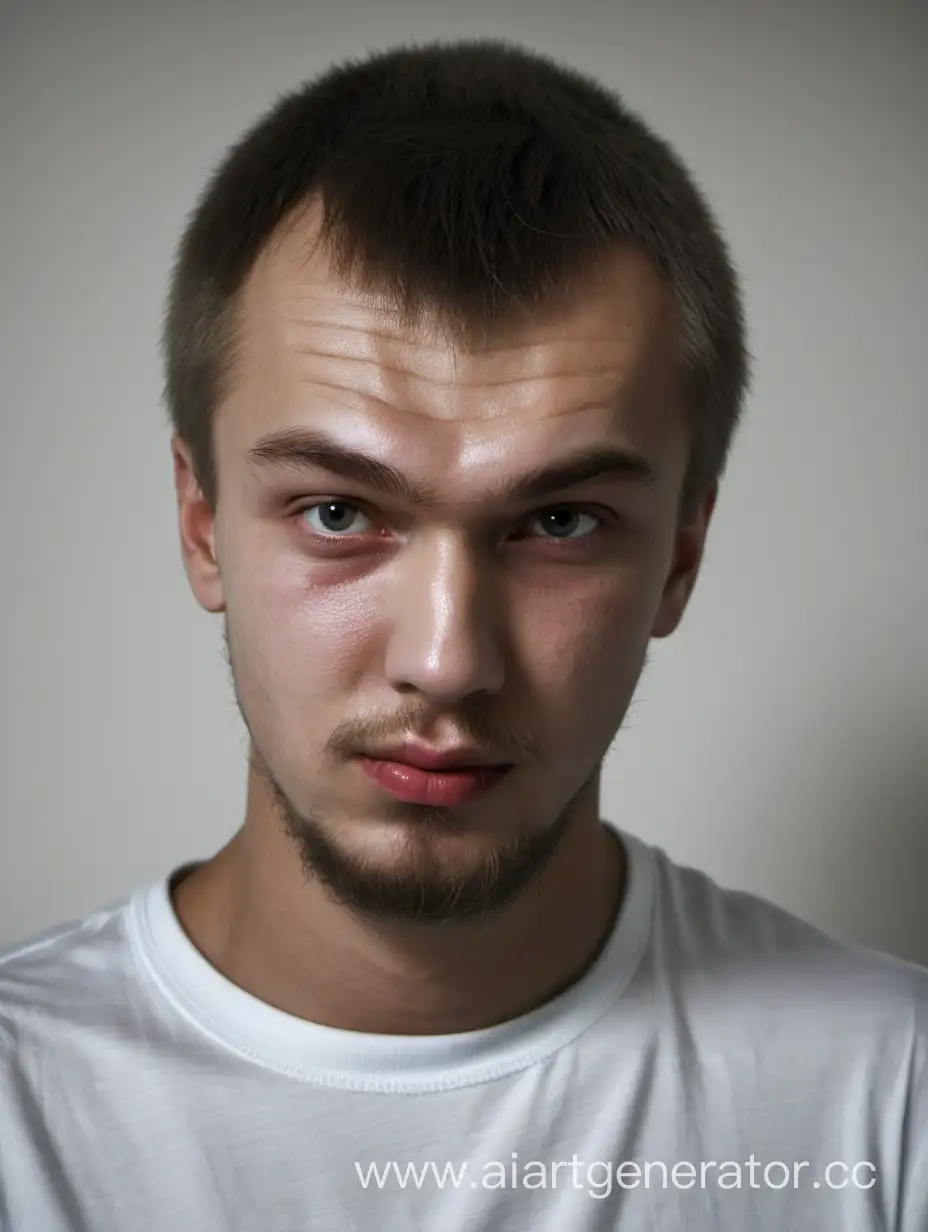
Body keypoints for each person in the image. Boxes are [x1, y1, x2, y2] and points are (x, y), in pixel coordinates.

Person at [0, 36, 924, 1232]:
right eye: (338, 512)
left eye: (557, 520)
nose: (445, 660)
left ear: (679, 556)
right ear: (204, 524)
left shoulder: (890, 1100)